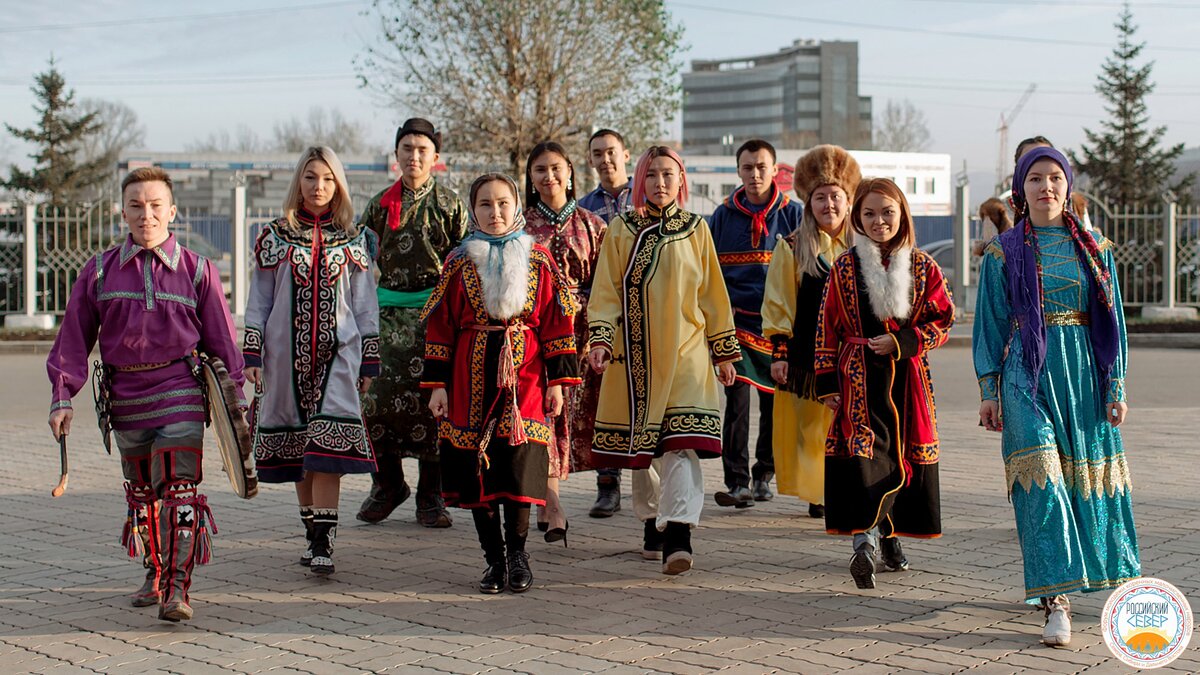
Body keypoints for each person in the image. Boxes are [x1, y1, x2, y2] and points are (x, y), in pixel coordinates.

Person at [46, 167, 244, 622]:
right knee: (141, 493)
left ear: (172, 211)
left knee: (179, 488)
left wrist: (237, 407)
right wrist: (62, 397)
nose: (146, 214)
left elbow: (223, 342)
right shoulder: (97, 272)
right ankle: (153, 570)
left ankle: (177, 587)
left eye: (156, 205)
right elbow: (73, 340)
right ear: (123, 211)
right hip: (125, 397)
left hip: (181, 392)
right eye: (136, 205)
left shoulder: (199, 270)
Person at [973, 146, 1138, 648]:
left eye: (1055, 179)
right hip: (1026, 376)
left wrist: (1116, 385)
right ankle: (1055, 602)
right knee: (1042, 484)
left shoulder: (1096, 247)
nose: (1046, 187)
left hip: (1084, 378)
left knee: (1082, 485)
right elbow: (991, 324)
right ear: (1020, 191)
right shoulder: (1003, 251)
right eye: (1035, 179)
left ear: (1068, 187)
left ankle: (1098, 585)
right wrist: (989, 390)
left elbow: (1115, 325)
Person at [420, 173, 580, 594]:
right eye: (486, 204)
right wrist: (436, 385)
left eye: (503, 203)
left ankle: (519, 555)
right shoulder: (458, 262)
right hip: (468, 377)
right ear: (473, 210)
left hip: (524, 376)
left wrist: (557, 383)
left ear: (516, 206)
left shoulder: (539, 259)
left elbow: (556, 324)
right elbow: (440, 327)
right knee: (477, 471)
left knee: (518, 468)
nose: (495, 212)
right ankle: (493, 560)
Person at [587, 146, 739, 575]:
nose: (659, 182)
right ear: (640, 179)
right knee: (646, 449)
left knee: (681, 444)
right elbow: (606, 292)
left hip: (687, 352)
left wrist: (723, 350)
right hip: (634, 357)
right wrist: (600, 339)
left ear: (681, 179)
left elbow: (712, 293)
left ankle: (679, 533)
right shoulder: (621, 228)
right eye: (651, 174)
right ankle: (653, 521)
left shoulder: (696, 229)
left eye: (668, 174)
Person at [244, 146, 380, 576]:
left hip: (340, 354)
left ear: (338, 184)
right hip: (284, 355)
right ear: (298, 183)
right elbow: (260, 298)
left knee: (328, 443)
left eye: (326, 178)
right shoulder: (275, 236)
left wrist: (369, 359)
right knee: (299, 445)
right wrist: (252, 350)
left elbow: (364, 304)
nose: (318, 186)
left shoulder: (356, 239)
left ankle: (324, 543)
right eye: (309, 177)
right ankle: (311, 533)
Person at [814, 177, 955, 590]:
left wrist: (902, 341)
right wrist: (827, 382)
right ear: (857, 216)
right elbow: (827, 326)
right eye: (869, 213)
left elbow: (943, 320)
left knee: (904, 458)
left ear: (902, 214)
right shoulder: (844, 267)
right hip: (856, 378)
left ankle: (888, 539)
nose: (879, 221)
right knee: (864, 455)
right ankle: (864, 541)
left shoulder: (925, 266)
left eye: (887, 212)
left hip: (907, 380)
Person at [357, 118, 470, 529]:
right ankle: (387, 485)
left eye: (422, 150)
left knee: (435, 408)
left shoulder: (452, 205)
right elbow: (358, 265)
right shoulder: (377, 206)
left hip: (437, 321)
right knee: (374, 405)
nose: (414, 156)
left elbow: (466, 266)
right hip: (386, 322)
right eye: (407, 148)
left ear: (435, 158)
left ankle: (431, 496)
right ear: (397, 155)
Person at [761, 145, 861, 519]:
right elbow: (779, 301)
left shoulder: (865, 247)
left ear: (849, 201)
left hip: (854, 355)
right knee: (810, 430)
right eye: (820, 197)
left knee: (851, 424)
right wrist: (779, 352)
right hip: (805, 354)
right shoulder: (791, 247)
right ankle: (819, 492)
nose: (828, 205)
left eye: (836, 196)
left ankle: (847, 488)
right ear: (808, 202)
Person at [522, 140, 608, 544]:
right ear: (531, 177)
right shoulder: (519, 226)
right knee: (543, 414)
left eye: (556, 168)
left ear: (571, 172)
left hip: (583, 335)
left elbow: (609, 285)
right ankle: (551, 503)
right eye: (540, 169)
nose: (549, 176)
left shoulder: (594, 225)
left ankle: (605, 490)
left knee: (577, 417)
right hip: (535, 335)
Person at [708, 139, 802, 508]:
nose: (755, 174)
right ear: (738, 171)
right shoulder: (722, 215)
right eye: (748, 167)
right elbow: (709, 271)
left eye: (762, 166)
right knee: (737, 402)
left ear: (775, 170)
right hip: (737, 326)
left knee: (774, 403)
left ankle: (765, 473)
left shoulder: (794, 215)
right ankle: (737, 482)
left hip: (778, 327)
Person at [577, 128, 634, 518]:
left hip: (646, 307)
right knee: (605, 397)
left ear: (626, 154)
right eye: (598, 153)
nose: (605, 159)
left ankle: (649, 480)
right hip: (604, 311)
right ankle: (607, 484)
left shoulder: (645, 196)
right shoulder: (584, 208)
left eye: (611, 151)